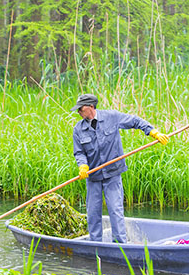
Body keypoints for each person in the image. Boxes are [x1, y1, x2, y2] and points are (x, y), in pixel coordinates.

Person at [71, 94, 169, 243]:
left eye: (81, 109)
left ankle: (120, 245)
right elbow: (79, 152)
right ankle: (95, 244)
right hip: (93, 177)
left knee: (115, 211)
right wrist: (82, 165)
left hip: (113, 174)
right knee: (92, 213)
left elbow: (135, 121)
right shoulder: (79, 129)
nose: (79, 112)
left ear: (91, 107)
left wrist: (152, 132)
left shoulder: (112, 117)